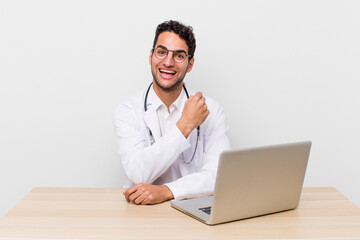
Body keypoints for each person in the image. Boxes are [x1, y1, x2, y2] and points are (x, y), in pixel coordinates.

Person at [113, 20, 231, 205]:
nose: (168, 62)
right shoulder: (127, 110)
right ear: (151, 56)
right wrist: (185, 125)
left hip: (194, 207)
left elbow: (219, 174)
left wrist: (167, 191)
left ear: (190, 64)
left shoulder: (212, 110)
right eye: (161, 52)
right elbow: (139, 173)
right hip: (142, 210)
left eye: (179, 56)